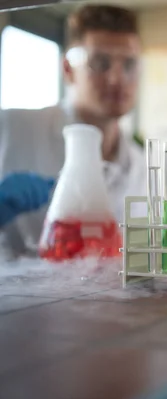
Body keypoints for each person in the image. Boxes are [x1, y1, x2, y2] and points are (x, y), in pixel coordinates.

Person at [0, 5, 146, 260]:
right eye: (100, 63)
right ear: (68, 69)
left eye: (129, 64)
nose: (116, 78)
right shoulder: (11, 128)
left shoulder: (141, 165)